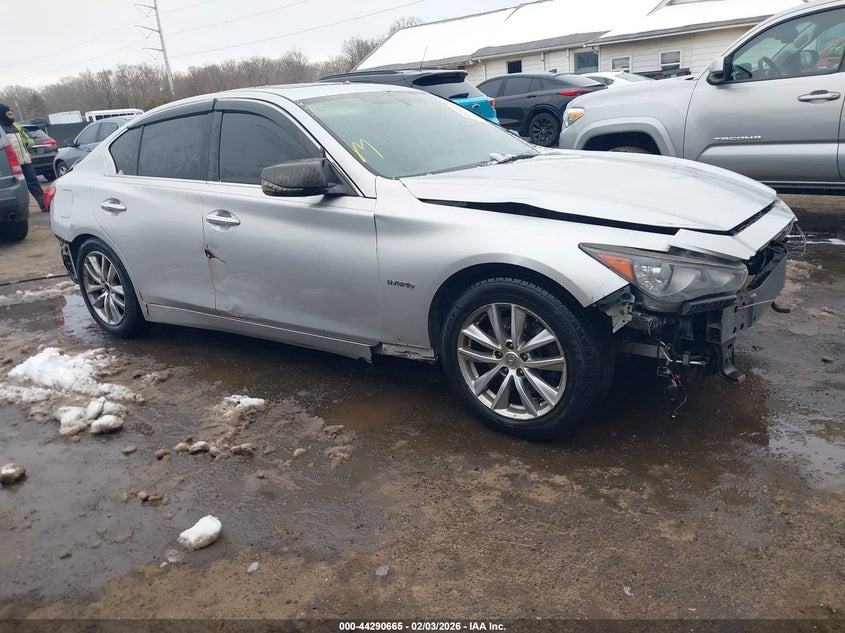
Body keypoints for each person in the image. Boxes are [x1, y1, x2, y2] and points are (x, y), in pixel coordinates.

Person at [0, 104, 47, 212]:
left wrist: (30, 142)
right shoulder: (1, 129)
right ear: (2, 115)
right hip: (11, 164)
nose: (12, 116)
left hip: (25, 160)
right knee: (17, 187)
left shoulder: (16, 126)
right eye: (9, 114)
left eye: (12, 114)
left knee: (33, 182)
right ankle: (18, 209)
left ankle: (44, 204)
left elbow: (25, 138)